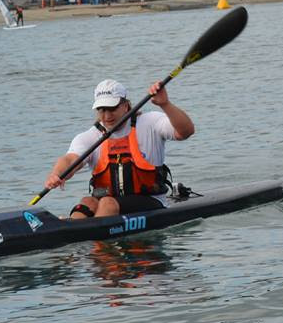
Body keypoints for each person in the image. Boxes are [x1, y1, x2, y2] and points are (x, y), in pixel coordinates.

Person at [44, 77, 195, 219]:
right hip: (108, 202)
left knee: (107, 203)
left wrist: (165, 104)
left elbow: (186, 131)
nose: (107, 116)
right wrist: (57, 174)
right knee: (87, 201)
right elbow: (71, 159)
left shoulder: (150, 123)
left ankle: (93, 241)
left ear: (126, 105)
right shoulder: (91, 136)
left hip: (150, 201)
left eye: (112, 108)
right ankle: (73, 233)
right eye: (102, 110)